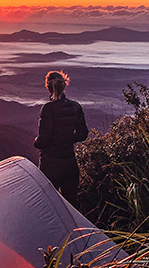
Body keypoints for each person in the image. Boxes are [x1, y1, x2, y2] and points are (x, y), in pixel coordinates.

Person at [34, 70, 88, 208]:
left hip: (50, 164)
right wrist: (68, 138)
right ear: (64, 86)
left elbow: (43, 141)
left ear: (48, 87)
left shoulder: (48, 109)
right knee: (71, 205)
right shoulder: (75, 106)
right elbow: (83, 134)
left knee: (48, 205)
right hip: (70, 163)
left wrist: (36, 142)